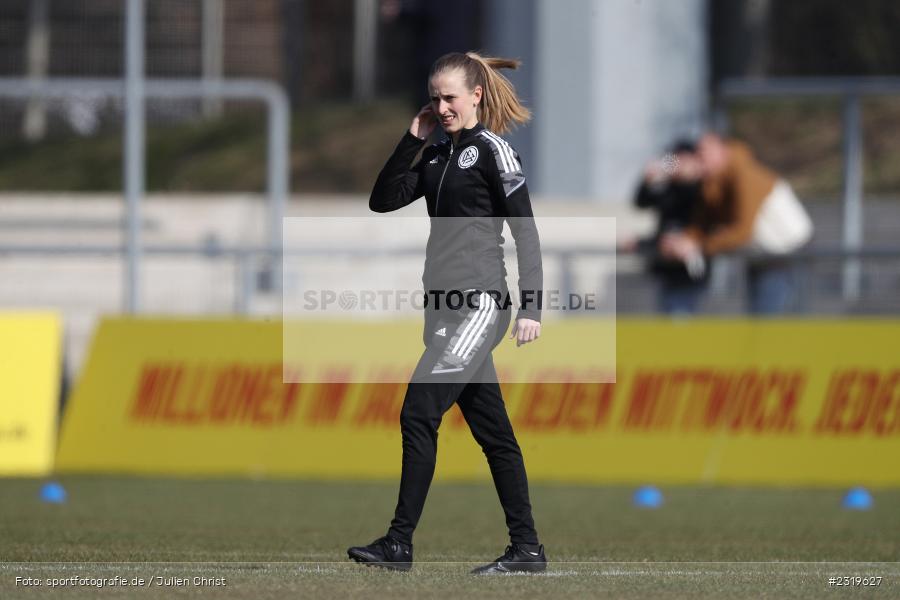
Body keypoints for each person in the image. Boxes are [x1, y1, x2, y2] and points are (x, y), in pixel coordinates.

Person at [346, 52, 547, 575]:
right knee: (495, 434)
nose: (442, 106)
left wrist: (532, 307)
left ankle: (399, 543)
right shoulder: (435, 154)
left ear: (476, 95)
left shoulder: (494, 151)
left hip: (480, 305)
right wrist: (413, 138)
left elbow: (525, 231)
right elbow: (383, 200)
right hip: (443, 310)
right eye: (435, 98)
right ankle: (526, 549)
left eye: (450, 97)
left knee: (417, 413)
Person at [660, 132, 813, 315]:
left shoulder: (740, 174)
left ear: (722, 151)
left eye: (704, 154)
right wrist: (683, 240)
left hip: (783, 254)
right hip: (757, 254)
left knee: (767, 321)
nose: (699, 160)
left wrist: (696, 245)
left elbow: (742, 231)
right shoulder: (706, 180)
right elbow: (698, 219)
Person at [631, 139, 710, 315]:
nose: (680, 165)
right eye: (676, 160)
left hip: (691, 268)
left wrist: (690, 176)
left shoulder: (704, 186)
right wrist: (650, 178)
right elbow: (641, 202)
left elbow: (698, 206)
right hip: (667, 266)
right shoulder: (668, 187)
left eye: (684, 159)